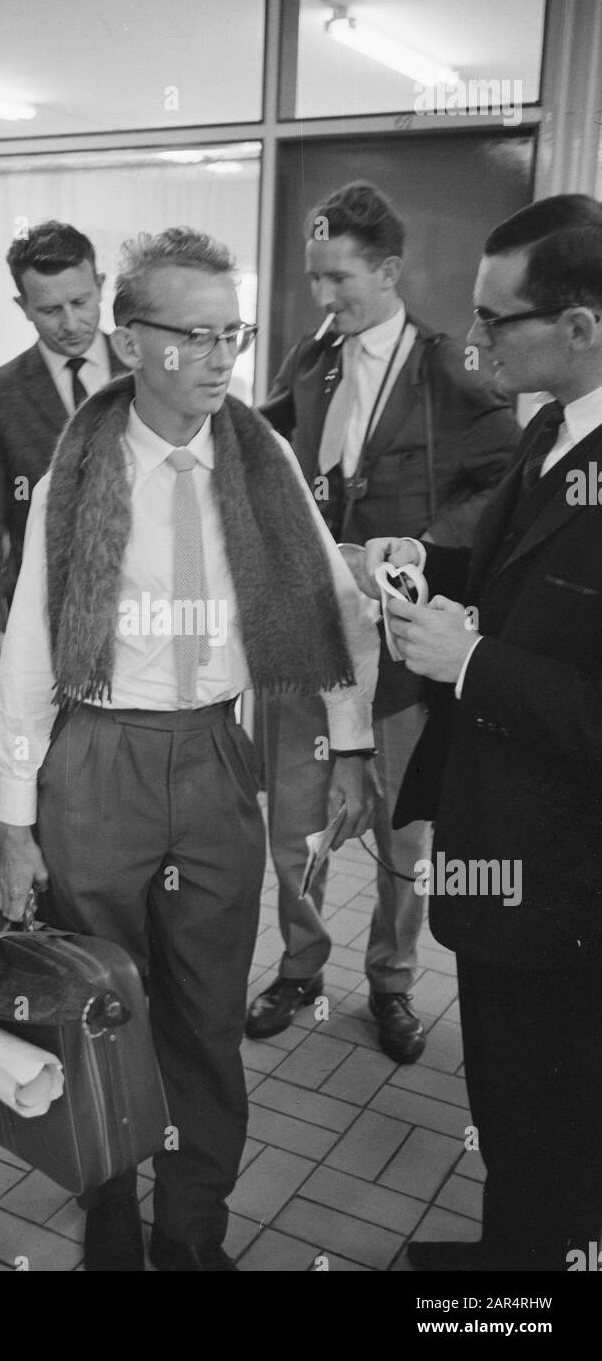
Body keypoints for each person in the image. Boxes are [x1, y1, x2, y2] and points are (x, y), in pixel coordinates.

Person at [0, 227, 380, 1271]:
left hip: (213, 760)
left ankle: (190, 1229)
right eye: (194, 336)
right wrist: (13, 819)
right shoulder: (80, 463)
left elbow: (328, 601)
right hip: (93, 764)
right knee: (100, 1012)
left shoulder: (259, 454)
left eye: (232, 333)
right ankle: (107, 1198)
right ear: (129, 343)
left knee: (205, 1017)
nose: (220, 358)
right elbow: (31, 636)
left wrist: (348, 747)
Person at [361, 193, 602, 1271]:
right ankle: (515, 1255)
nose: (474, 343)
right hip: (504, 849)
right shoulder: (552, 427)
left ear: (579, 325)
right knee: (507, 1102)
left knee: (556, 1119)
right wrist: (416, 555)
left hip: (570, 882)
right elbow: (501, 564)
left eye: (497, 321)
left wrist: (466, 662)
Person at [247, 181, 520, 1060]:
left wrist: (420, 546)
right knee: (296, 821)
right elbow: (266, 448)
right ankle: (298, 965)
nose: (322, 296)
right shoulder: (310, 356)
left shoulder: (452, 369)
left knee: (402, 829)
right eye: (314, 278)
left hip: (403, 643)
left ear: (389, 270)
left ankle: (391, 984)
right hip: (309, 636)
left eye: (337, 278)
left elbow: (500, 487)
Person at [0, 221, 126, 685]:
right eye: (49, 309)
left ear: (101, 286)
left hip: (146, 606)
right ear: (22, 306)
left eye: (81, 302)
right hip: (44, 615)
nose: (70, 323)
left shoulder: (148, 370)